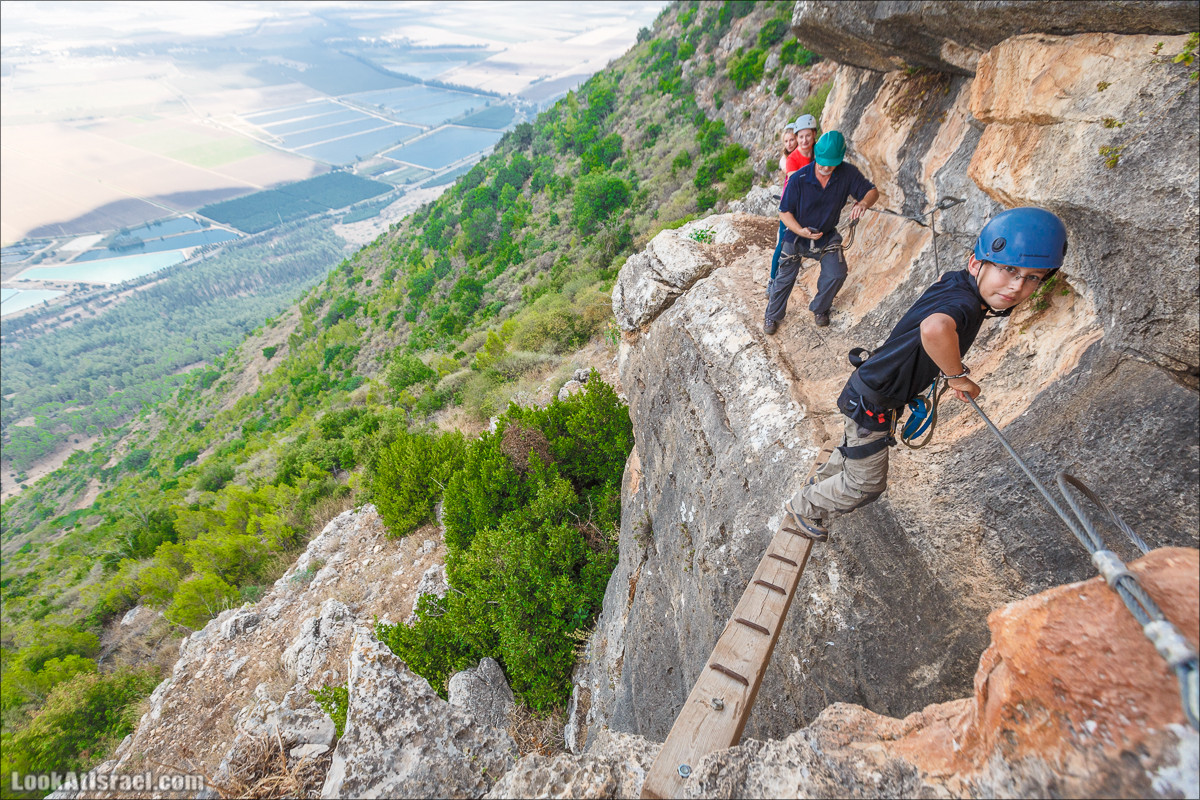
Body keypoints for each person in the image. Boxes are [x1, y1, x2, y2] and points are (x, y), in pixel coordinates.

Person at [781, 207, 1070, 541]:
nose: (1017, 286)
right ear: (976, 263)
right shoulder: (963, 305)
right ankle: (804, 506)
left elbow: (938, 289)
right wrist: (956, 375)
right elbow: (934, 329)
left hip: (872, 389)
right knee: (867, 483)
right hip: (872, 400)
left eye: (1032, 277)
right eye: (1008, 269)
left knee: (854, 449)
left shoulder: (958, 283)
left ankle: (821, 483)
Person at [765, 130, 879, 333]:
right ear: (816, 154)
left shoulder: (847, 174)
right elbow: (784, 212)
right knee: (784, 279)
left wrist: (863, 203)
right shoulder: (799, 178)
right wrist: (801, 231)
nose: (826, 167)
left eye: (831, 163)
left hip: (826, 235)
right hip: (797, 235)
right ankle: (772, 316)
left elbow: (872, 191)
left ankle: (820, 308)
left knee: (837, 273)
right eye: (823, 162)